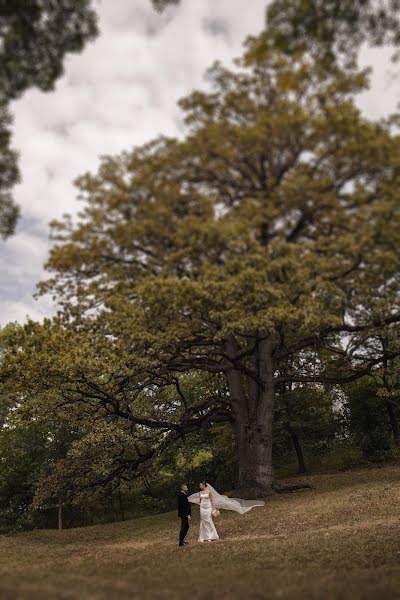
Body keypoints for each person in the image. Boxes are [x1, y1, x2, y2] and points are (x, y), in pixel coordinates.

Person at [188, 481, 264, 543]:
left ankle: (211, 536)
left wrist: (214, 509)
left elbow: (212, 501)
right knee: (203, 521)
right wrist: (201, 505)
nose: (200, 486)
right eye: (199, 485)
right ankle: (202, 537)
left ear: (204, 485)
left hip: (208, 507)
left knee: (208, 520)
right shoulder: (200, 493)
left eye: (200, 485)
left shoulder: (209, 492)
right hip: (202, 508)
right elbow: (200, 500)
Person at [177, 483, 191, 547]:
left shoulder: (184, 494)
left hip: (184, 513)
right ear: (182, 488)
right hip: (184, 513)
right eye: (186, 487)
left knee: (186, 526)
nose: (187, 488)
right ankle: (181, 541)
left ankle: (183, 540)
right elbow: (184, 506)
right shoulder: (181, 495)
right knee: (183, 527)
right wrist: (187, 514)